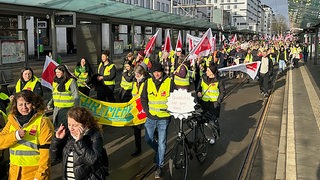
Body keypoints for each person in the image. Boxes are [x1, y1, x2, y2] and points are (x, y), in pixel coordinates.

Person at [0, 90, 54, 180]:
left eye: (27, 103)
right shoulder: (11, 121)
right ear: (15, 106)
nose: (24, 107)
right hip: (14, 173)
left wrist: (39, 177)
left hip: (34, 173)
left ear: (33, 104)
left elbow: (46, 155)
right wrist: (15, 136)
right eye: (20, 104)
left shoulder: (43, 122)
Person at [50, 107, 108, 180]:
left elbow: (92, 160)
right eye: (69, 124)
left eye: (75, 125)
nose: (71, 128)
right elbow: (53, 159)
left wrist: (79, 142)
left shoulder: (94, 136)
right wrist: (57, 140)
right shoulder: (68, 135)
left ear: (85, 124)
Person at [140, 61, 174, 178]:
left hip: (164, 118)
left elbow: (174, 97)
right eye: (154, 72)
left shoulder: (169, 82)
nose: (156, 74)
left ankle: (159, 166)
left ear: (162, 71)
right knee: (148, 139)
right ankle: (159, 152)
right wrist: (147, 112)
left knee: (162, 143)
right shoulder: (148, 82)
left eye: (158, 72)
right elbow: (143, 98)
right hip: (151, 117)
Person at [196, 63, 225, 145]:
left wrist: (218, 101)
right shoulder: (203, 78)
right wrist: (198, 93)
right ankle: (207, 136)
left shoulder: (219, 80)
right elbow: (198, 88)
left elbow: (222, 92)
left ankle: (214, 135)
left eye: (208, 70)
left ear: (212, 72)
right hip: (204, 103)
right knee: (204, 122)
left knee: (212, 122)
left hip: (214, 105)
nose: (206, 71)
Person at [47, 64, 79, 131]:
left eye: (58, 72)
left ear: (63, 72)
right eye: (56, 72)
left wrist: (76, 108)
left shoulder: (71, 81)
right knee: (57, 127)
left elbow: (76, 95)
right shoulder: (55, 82)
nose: (57, 74)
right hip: (57, 109)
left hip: (67, 109)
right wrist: (49, 104)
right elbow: (54, 95)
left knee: (66, 127)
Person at [130, 65, 149, 157]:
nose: (136, 75)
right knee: (136, 130)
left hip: (145, 109)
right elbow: (133, 94)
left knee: (149, 129)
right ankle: (138, 148)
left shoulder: (147, 82)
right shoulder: (135, 82)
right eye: (135, 73)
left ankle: (156, 143)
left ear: (143, 73)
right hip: (137, 110)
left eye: (138, 73)